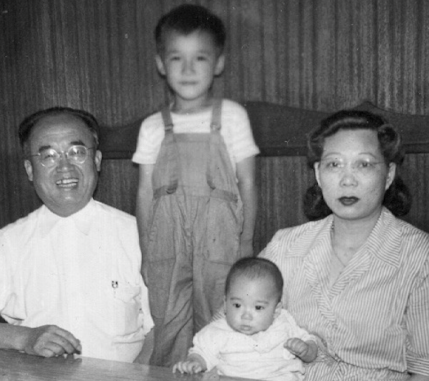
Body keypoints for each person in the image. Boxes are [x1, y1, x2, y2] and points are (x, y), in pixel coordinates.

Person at [0, 107, 153, 362]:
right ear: (29, 169)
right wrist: (25, 339)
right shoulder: (9, 243)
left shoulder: (138, 236)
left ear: (96, 161)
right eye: (48, 156)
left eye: (77, 152)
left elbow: (161, 330)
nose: (65, 168)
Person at [260, 110, 429, 380]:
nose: (347, 180)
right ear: (318, 174)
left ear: (388, 174)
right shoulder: (285, 244)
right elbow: (231, 323)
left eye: (363, 164)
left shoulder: (427, 257)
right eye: (334, 165)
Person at [133, 4, 260, 366]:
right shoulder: (153, 127)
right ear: (161, 64)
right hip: (167, 236)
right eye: (177, 59)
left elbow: (247, 183)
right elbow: (145, 192)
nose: (188, 70)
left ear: (218, 63)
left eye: (200, 58)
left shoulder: (232, 117)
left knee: (218, 313)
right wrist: (146, 248)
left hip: (220, 233)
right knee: (168, 316)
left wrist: (247, 241)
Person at [173, 257, 318, 381]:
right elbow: (201, 353)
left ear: (276, 310)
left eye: (258, 308)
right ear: (225, 304)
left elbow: (311, 346)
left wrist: (305, 350)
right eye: (237, 305)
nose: (246, 316)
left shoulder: (284, 323)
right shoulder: (217, 331)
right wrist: (194, 363)